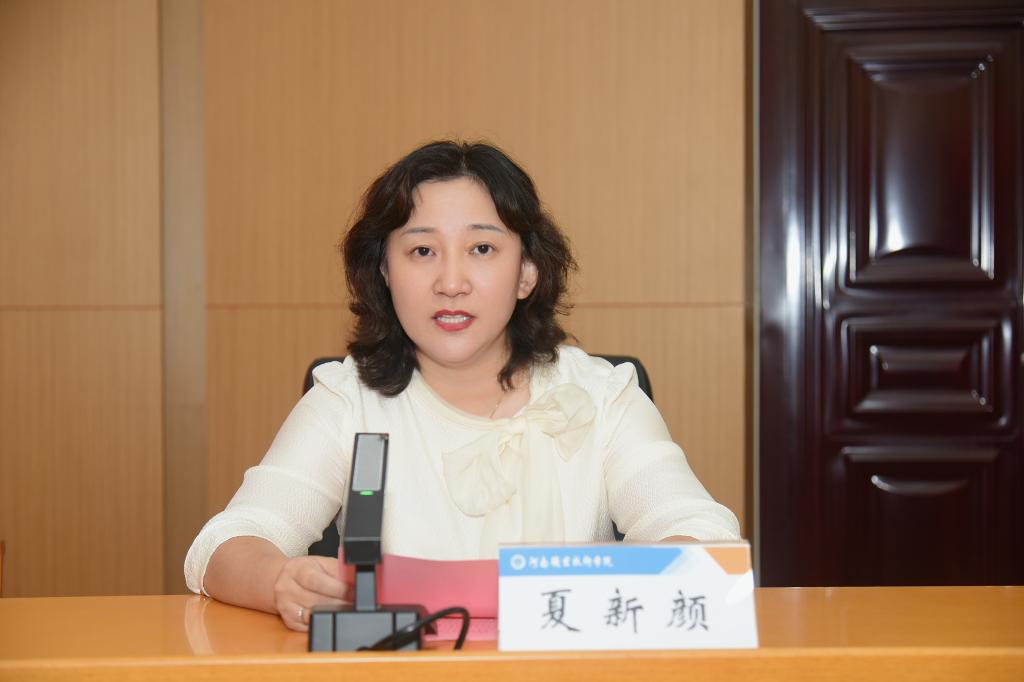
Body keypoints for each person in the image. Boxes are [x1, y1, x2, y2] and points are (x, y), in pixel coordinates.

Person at [184, 140, 740, 632]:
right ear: (385, 272)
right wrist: (279, 581)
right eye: (422, 251)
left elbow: (704, 537)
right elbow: (224, 543)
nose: (451, 283)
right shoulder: (346, 402)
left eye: (482, 249)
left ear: (527, 273)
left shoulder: (602, 397)